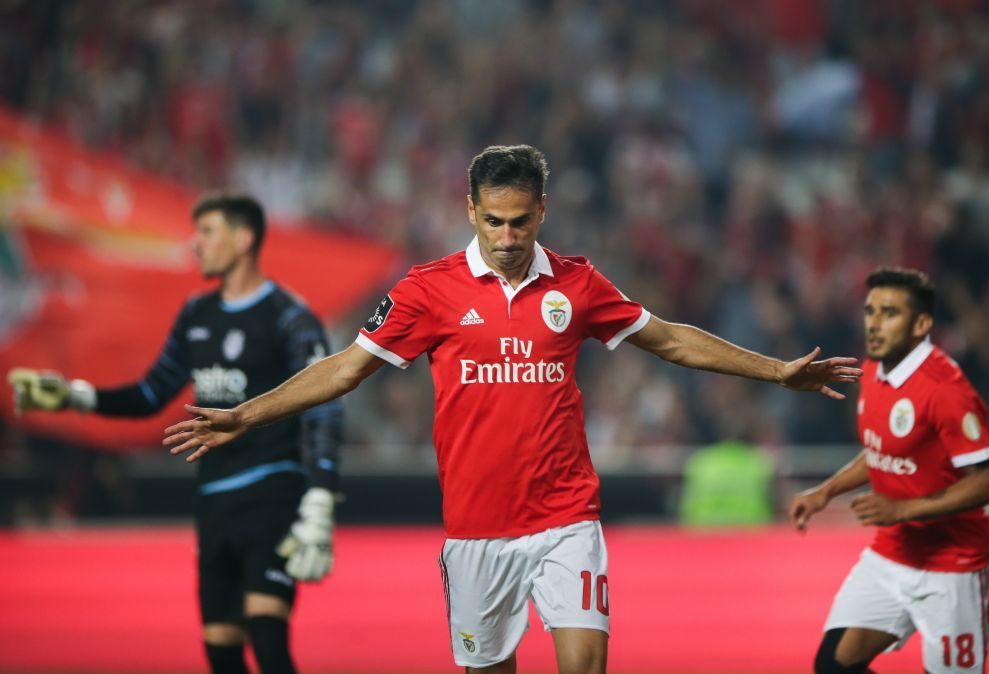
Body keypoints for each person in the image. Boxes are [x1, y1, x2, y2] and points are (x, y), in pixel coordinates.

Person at [164, 145, 861, 674]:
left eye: (519, 221)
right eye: (492, 221)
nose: (505, 236)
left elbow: (669, 339)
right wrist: (244, 414)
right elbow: (346, 369)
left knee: (584, 662)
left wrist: (776, 371)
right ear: (469, 211)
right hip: (476, 531)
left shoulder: (577, 284)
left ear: (541, 212)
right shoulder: (426, 291)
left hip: (566, 519)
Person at [8, 193, 342, 674]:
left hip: (274, 490)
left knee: (268, 637)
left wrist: (320, 499)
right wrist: (73, 396)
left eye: (207, 232)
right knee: (221, 651)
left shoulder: (290, 317)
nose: (195, 245)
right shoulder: (195, 316)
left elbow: (324, 405)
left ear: (244, 239)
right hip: (213, 498)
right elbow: (150, 393)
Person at [789, 267, 989, 674]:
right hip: (893, 554)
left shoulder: (947, 391)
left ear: (921, 324)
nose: (874, 322)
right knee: (833, 667)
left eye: (890, 313)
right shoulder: (873, 371)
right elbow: (881, 452)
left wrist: (903, 509)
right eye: (870, 311)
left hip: (955, 566)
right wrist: (826, 491)